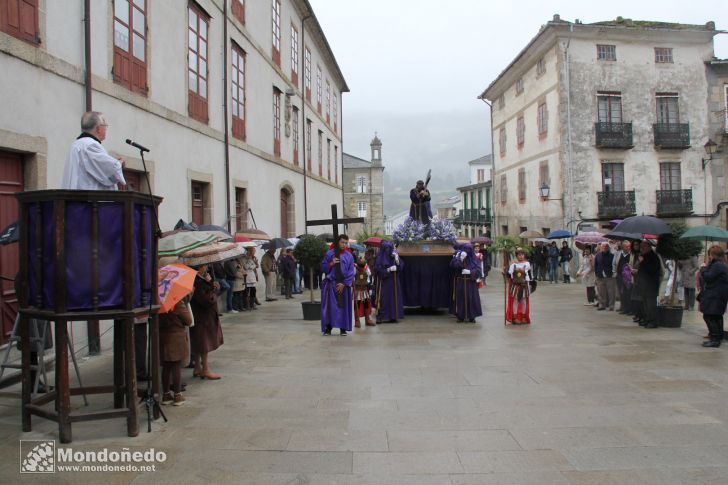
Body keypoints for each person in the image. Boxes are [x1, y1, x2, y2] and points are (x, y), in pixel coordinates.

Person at [62, 111, 126, 190]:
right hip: (91, 199)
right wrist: (120, 163)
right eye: (105, 126)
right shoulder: (91, 145)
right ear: (98, 128)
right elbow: (111, 171)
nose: (106, 129)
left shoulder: (76, 144)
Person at [189, 264, 224, 379]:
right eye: (204, 266)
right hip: (202, 316)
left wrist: (210, 283)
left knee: (198, 340)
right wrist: (215, 290)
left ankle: (197, 367)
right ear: (199, 268)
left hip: (199, 315)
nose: (207, 267)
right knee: (204, 342)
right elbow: (207, 300)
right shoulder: (197, 281)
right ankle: (205, 369)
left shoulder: (201, 278)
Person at [159, 298, 193, 406]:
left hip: (163, 336)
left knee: (166, 366)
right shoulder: (176, 301)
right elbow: (188, 320)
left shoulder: (158, 301)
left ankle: (166, 394)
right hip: (176, 336)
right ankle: (178, 395)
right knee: (176, 366)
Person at [320, 234, 355, 336]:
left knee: (343, 307)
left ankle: (343, 328)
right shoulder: (330, 254)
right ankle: (328, 328)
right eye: (342, 242)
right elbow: (323, 267)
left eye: (345, 243)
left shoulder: (349, 256)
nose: (344, 245)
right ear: (337, 242)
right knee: (330, 307)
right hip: (331, 284)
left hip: (343, 285)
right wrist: (331, 263)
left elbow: (351, 272)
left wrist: (344, 283)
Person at [697, 245, 728, 348]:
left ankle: (715, 339)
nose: (709, 256)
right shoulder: (720, 264)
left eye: (710, 254)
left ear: (714, 255)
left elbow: (708, 277)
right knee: (716, 316)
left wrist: (703, 269)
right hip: (718, 295)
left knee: (709, 316)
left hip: (715, 295)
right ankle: (718, 337)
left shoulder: (717, 265)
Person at [450, 243, 483, 323]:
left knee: (471, 299)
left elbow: (478, 270)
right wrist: (460, 258)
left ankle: (472, 316)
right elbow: (453, 266)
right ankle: (460, 316)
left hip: (471, 283)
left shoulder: (474, 258)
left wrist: (470, 272)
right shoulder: (458, 256)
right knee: (461, 299)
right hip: (461, 282)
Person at [374, 240, 405, 323]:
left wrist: (397, 259)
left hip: (394, 281)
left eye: (390, 248)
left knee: (393, 299)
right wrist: (388, 269)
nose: (388, 250)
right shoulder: (379, 257)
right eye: (386, 248)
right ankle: (381, 316)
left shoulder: (393, 256)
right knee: (384, 299)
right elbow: (378, 270)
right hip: (384, 282)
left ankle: (393, 316)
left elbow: (400, 266)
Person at [635, 240, 661, 328]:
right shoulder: (644, 256)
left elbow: (652, 270)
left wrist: (643, 262)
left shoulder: (653, 257)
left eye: (643, 247)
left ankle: (653, 322)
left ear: (649, 247)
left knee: (651, 305)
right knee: (645, 305)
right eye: (641, 247)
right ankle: (647, 319)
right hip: (644, 285)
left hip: (651, 285)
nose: (641, 249)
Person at [505, 248, 533, 324]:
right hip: (516, 284)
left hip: (525, 284)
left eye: (522, 255)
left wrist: (531, 283)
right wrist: (505, 272)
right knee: (515, 301)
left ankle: (524, 318)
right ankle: (514, 318)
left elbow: (529, 274)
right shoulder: (513, 265)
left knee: (523, 300)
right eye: (519, 255)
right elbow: (509, 275)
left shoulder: (527, 264)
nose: (521, 256)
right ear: (516, 256)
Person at [353, 255, 375, 328]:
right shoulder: (354, 269)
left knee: (366, 304)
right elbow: (351, 277)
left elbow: (369, 276)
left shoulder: (366, 268)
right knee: (357, 304)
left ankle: (367, 319)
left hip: (365, 289)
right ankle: (357, 320)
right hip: (357, 289)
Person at [594, 242, 617, 311]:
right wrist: (596, 275)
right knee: (601, 292)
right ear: (601, 247)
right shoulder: (597, 255)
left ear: (608, 248)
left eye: (606, 246)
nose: (605, 248)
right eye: (603, 246)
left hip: (609, 276)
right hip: (600, 276)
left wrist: (613, 273)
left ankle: (611, 306)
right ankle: (602, 305)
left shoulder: (612, 256)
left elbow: (614, 265)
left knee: (611, 292)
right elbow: (596, 266)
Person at [616, 241, 635, 314]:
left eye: (629, 246)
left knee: (628, 293)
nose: (628, 248)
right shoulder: (619, 254)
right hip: (620, 276)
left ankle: (629, 309)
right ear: (623, 247)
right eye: (626, 246)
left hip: (628, 277)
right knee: (622, 293)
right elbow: (615, 263)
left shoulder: (631, 255)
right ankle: (624, 308)